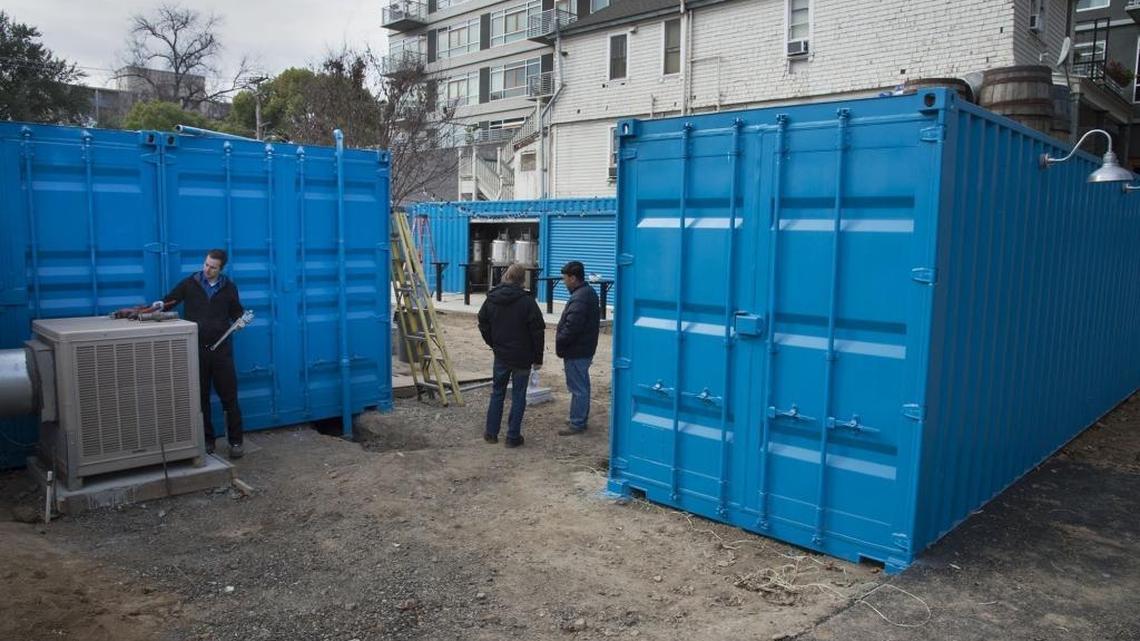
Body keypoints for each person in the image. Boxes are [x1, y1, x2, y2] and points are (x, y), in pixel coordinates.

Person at [155, 249, 246, 459]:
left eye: (213, 267)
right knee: (200, 397)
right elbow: (170, 300)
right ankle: (207, 440)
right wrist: (158, 305)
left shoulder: (229, 288)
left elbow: (237, 313)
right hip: (196, 350)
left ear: (222, 268)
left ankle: (235, 442)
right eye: (206, 264)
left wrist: (241, 321)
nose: (207, 269)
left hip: (221, 352)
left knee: (229, 398)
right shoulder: (190, 283)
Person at [478, 263, 545, 448]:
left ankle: (491, 433)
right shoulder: (527, 302)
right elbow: (538, 331)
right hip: (522, 357)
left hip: (501, 354)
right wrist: (538, 358)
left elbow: (482, 322)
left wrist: (493, 342)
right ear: (523, 280)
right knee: (518, 395)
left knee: (497, 393)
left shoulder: (491, 299)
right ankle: (512, 436)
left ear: (506, 276)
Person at [555, 261, 600, 436]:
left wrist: (561, 340)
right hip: (583, 348)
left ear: (573, 278)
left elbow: (572, 326)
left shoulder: (580, 297)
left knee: (578, 387)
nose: (564, 282)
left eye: (565, 279)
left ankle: (577, 422)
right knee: (580, 385)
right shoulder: (585, 293)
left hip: (577, 350)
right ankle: (578, 416)